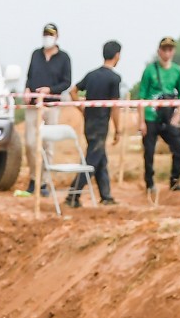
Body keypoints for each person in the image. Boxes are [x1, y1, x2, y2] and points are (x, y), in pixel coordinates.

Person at [68, 41, 122, 208]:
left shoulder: (91, 75)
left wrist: (81, 108)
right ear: (117, 56)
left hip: (89, 123)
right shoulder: (114, 78)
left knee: (100, 159)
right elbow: (114, 107)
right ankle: (73, 194)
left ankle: (106, 196)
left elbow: (72, 91)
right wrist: (118, 129)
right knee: (92, 161)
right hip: (100, 124)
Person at [20, 22, 72, 195]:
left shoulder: (64, 58)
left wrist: (50, 90)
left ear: (57, 37)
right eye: (45, 34)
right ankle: (34, 177)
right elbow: (29, 76)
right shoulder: (36, 54)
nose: (47, 37)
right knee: (30, 143)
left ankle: (44, 182)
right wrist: (27, 89)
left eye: (50, 34)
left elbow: (67, 82)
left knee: (48, 144)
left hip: (51, 105)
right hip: (34, 105)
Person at [134, 36, 180, 194]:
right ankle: (149, 183)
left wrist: (178, 114)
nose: (167, 52)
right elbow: (141, 97)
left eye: (170, 49)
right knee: (149, 151)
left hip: (168, 117)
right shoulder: (150, 70)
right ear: (159, 51)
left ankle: (175, 180)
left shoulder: (177, 70)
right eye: (164, 49)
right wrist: (141, 121)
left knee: (178, 145)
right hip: (151, 117)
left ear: (174, 51)